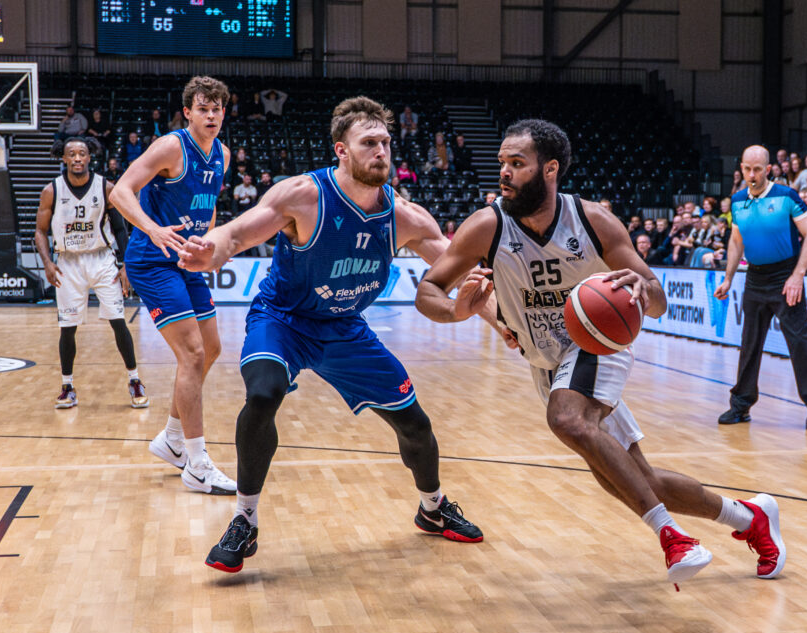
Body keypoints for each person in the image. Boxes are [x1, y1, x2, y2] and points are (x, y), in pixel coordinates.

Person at [416, 119, 785, 587]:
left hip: (598, 343)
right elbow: (428, 288)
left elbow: (658, 299)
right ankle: (749, 517)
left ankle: (673, 537)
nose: (504, 173)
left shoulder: (592, 220)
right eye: (502, 163)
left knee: (568, 419)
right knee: (629, 478)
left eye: (517, 163)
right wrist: (454, 311)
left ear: (550, 169)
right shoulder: (488, 225)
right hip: (546, 362)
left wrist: (642, 289)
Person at [177, 96, 487, 572]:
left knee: (416, 426)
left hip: (345, 329)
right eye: (369, 143)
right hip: (283, 319)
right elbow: (237, 234)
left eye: (385, 142)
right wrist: (209, 250)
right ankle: (245, 519)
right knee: (264, 393)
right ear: (341, 150)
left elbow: (459, 274)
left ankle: (433, 506)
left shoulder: (406, 216)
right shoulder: (304, 194)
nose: (381, 151)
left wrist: (501, 322)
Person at [110, 76, 237, 496]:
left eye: (218, 108)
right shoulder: (170, 146)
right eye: (204, 108)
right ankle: (197, 463)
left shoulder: (223, 153)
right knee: (192, 352)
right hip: (152, 260)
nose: (212, 115)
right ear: (188, 112)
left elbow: (210, 202)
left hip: (187, 260)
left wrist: (209, 242)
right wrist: (153, 230)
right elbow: (120, 191)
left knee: (212, 347)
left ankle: (172, 439)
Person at [714, 145, 807, 430]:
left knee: (800, 343)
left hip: (784, 278)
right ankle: (741, 405)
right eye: (747, 169)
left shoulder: (786, 196)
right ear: (741, 168)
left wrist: (798, 275)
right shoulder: (738, 200)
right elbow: (736, 241)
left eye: (758, 169)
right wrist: (728, 278)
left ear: (768, 169)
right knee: (749, 345)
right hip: (755, 278)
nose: (752, 175)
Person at [33, 138, 148, 410]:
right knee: (67, 328)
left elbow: (120, 229)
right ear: (63, 158)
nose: (76, 158)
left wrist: (125, 265)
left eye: (81, 153)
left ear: (89, 158)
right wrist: (47, 262)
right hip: (68, 262)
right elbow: (39, 230)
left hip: (101, 259)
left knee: (118, 321)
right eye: (71, 154)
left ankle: (134, 381)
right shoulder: (51, 190)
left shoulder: (106, 187)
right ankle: (67, 386)